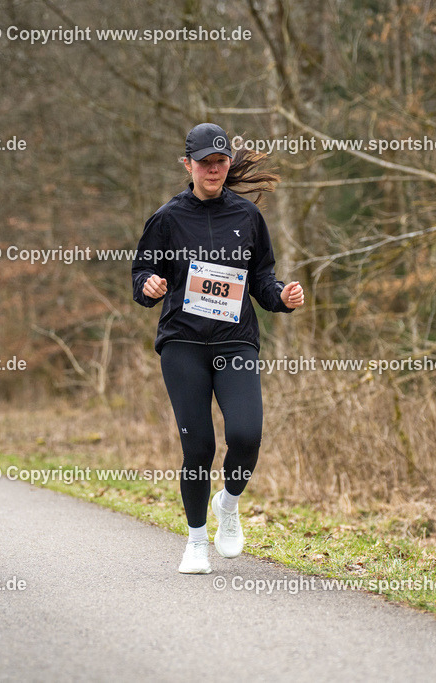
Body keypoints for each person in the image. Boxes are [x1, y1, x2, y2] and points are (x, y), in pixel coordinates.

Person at [132, 123, 305, 574]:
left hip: (235, 341)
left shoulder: (247, 217)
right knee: (199, 448)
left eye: (221, 162)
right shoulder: (167, 218)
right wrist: (148, 285)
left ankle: (227, 505)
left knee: (247, 435)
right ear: (187, 164)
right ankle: (194, 542)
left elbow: (262, 280)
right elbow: (141, 276)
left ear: (229, 164)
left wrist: (281, 296)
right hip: (183, 344)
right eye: (205, 162)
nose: (213, 169)